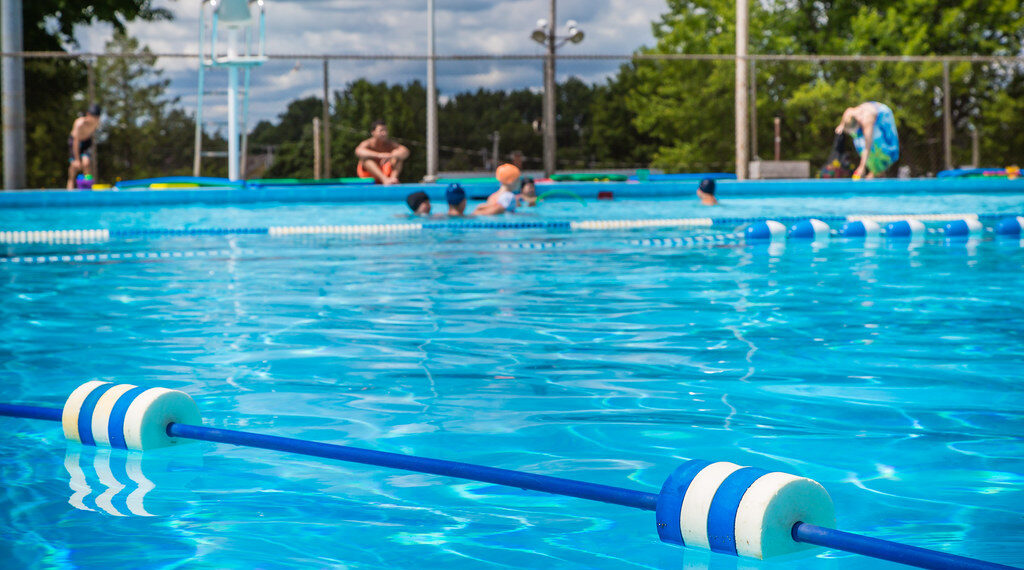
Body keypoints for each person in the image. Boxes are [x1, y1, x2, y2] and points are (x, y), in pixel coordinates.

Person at [835, 102, 900, 179]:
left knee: (878, 147)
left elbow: (867, 147)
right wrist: (841, 125)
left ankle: (878, 171)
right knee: (859, 142)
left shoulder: (867, 121)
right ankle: (875, 172)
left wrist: (862, 167)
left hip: (882, 114)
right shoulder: (849, 113)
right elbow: (847, 114)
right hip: (867, 111)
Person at [355, 120, 410, 185]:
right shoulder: (368, 143)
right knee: (365, 159)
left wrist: (390, 155)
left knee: (398, 157)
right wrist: (379, 155)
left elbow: (405, 151)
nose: (384, 133)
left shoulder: (390, 143)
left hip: (386, 173)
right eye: (381, 131)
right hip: (368, 176)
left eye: (385, 130)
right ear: (373, 132)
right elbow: (358, 151)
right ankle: (385, 180)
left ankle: (393, 180)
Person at [67, 104, 102, 190]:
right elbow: (75, 142)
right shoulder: (79, 123)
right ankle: (70, 184)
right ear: (88, 115)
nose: (96, 120)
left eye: (97, 118)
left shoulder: (97, 123)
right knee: (74, 166)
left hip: (86, 142)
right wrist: (77, 159)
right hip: (75, 142)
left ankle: (87, 185)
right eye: (94, 117)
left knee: (86, 163)